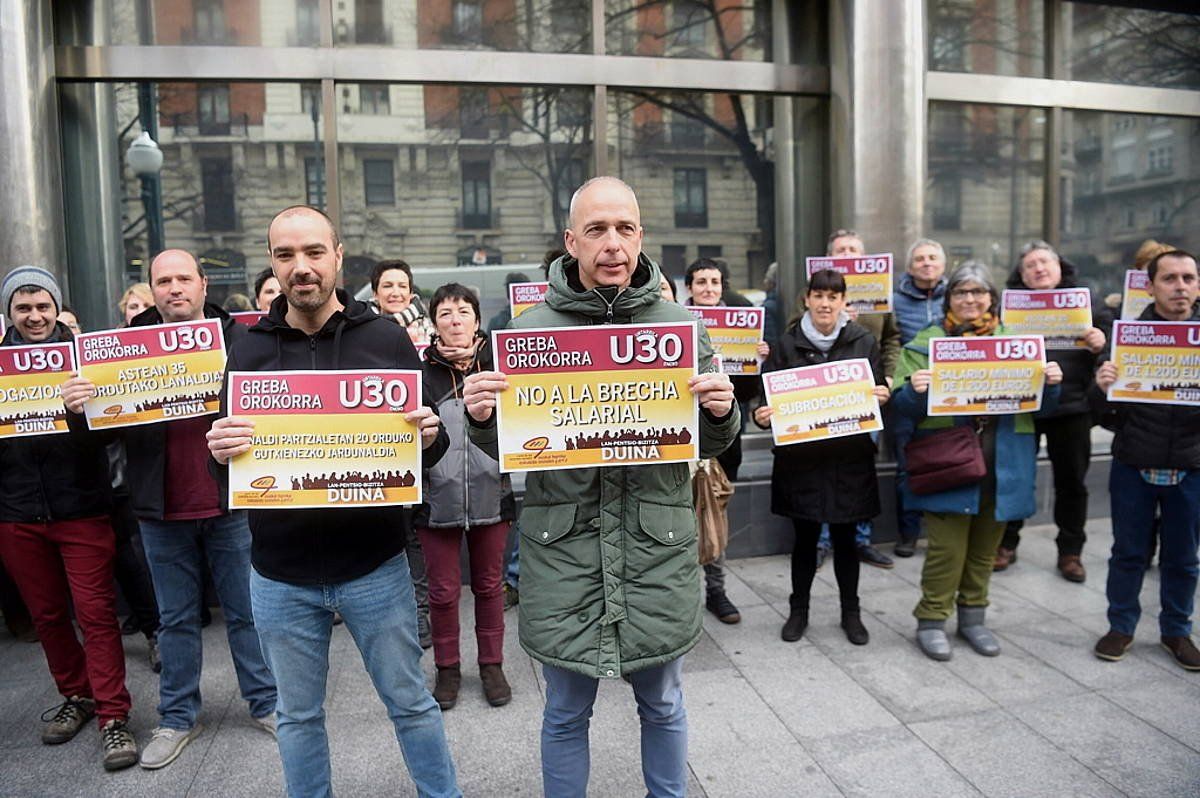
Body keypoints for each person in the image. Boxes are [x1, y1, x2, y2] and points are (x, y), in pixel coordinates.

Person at [463, 177, 739, 797]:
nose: (612, 244)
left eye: (624, 229)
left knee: (663, 704)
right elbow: (507, 444)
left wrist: (721, 413)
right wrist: (483, 419)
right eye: (596, 230)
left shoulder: (682, 328)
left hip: (655, 549)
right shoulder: (529, 332)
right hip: (564, 554)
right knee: (564, 712)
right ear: (571, 241)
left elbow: (712, 443)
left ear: (640, 237)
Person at [206, 205, 460, 797]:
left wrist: (429, 434)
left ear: (338, 257)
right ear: (272, 262)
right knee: (297, 716)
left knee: (411, 704)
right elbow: (227, 470)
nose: (302, 268)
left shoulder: (386, 338)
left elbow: (429, 449)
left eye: (314, 252)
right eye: (286, 255)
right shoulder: (247, 352)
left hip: (374, 566)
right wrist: (215, 453)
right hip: (279, 574)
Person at [62, 250, 278, 770]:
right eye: (164, 280)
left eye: (184, 278)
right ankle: (178, 716)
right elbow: (102, 432)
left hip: (228, 505)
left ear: (204, 285)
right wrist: (78, 411)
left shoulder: (242, 340)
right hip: (160, 512)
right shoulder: (121, 348)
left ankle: (267, 703)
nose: (174, 288)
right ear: (153, 289)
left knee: (248, 614)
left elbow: (275, 409)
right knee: (175, 619)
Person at [0, 266, 138, 770]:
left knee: (97, 615)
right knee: (48, 617)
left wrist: (81, 412)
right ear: (10, 313)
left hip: (81, 509)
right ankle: (77, 696)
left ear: (57, 308)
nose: (34, 316)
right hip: (17, 513)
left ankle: (113, 716)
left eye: (42, 307)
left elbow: (112, 434)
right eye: (23, 308)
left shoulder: (86, 359)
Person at [891, 261, 1062, 661]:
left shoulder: (1020, 344)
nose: (970, 300)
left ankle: (973, 619)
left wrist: (1051, 385)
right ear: (949, 299)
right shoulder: (923, 344)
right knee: (946, 551)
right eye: (961, 293)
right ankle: (931, 619)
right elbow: (901, 410)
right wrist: (914, 391)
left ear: (992, 299)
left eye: (978, 292)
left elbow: (1042, 409)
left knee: (985, 550)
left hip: (1005, 466)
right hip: (948, 466)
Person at [754, 268, 889, 645]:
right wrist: (761, 416)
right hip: (802, 464)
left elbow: (876, 391)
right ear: (808, 299)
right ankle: (799, 611)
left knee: (847, 541)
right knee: (804, 540)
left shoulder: (864, 341)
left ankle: (851, 612)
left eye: (834, 297)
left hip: (850, 460)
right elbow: (767, 400)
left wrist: (882, 396)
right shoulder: (785, 344)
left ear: (844, 302)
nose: (826, 303)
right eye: (819, 295)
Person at [1091, 249, 1200, 671]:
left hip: (1191, 466)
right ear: (1150, 286)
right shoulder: (1126, 338)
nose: (1180, 287)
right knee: (1128, 552)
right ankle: (1121, 626)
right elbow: (1101, 415)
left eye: (1188, 278)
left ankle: (1176, 631)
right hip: (1134, 464)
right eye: (1170, 278)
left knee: (1183, 557)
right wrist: (1101, 388)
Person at [417, 282, 516, 711]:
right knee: (441, 592)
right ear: (434, 323)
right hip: (435, 497)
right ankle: (448, 668)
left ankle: (492, 665)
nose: (455, 321)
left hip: (492, 494)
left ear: (477, 320)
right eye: (445, 314)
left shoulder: (500, 368)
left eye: (463, 312)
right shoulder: (419, 373)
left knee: (491, 586)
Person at [994, 241, 1106, 582]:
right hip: (1023, 406)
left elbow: (1113, 354)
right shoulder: (1006, 309)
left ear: (1060, 268)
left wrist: (1102, 343)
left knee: (1071, 483)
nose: (1038, 269)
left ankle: (1070, 551)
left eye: (1045, 262)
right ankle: (1006, 544)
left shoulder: (1087, 305)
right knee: (1015, 477)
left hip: (1072, 408)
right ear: (1022, 275)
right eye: (1030, 265)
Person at [684, 257, 770, 625]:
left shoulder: (741, 323)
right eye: (701, 281)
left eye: (715, 281)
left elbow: (747, 395)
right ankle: (681, 597)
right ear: (690, 287)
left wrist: (756, 362)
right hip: (679, 439)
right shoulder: (676, 320)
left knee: (716, 514)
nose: (708, 288)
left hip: (722, 442)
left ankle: (716, 591)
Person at [814, 229, 901, 569]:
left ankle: (860, 539)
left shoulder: (879, 291)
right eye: (841, 250)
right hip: (822, 396)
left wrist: (889, 376)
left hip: (864, 395)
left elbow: (892, 338)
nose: (847, 254)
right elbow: (793, 327)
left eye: (853, 249)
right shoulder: (817, 289)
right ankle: (821, 540)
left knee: (860, 468)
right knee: (820, 468)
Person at [890, 238, 949, 556]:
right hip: (909, 386)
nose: (927, 263)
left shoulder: (957, 297)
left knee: (946, 457)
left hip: (951, 390)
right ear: (910, 267)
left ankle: (941, 529)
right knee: (904, 464)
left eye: (933, 257)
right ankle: (908, 532)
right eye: (920, 259)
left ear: (943, 265)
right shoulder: (893, 299)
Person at [372, 258, 434, 347]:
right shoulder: (362, 329)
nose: (396, 293)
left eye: (402, 286)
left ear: (411, 294)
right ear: (375, 294)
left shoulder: (430, 329)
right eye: (387, 286)